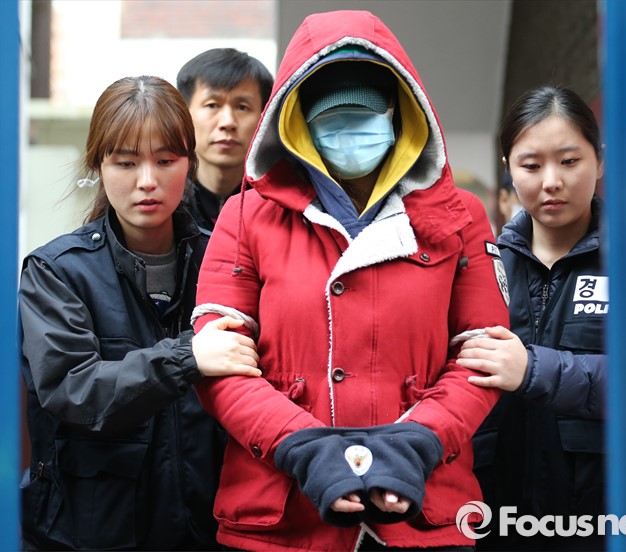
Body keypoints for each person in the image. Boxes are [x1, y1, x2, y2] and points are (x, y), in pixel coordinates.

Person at [191, 10, 511, 552]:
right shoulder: (244, 216)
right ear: (298, 122)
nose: (350, 130)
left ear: (401, 113)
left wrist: (416, 443)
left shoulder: (460, 217)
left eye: (366, 114)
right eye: (332, 117)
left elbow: (484, 357)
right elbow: (218, 363)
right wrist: (304, 447)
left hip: (421, 513)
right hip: (283, 518)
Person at [18, 75, 260, 551]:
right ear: (98, 164)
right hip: (89, 534)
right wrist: (188, 357)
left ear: (189, 163)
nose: (147, 181)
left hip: (209, 529)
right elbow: (73, 389)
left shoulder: (225, 261)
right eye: (126, 162)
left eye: (166, 161)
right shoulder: (57, 271)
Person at [458, 85, 607, 551]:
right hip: (491, 519)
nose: (551, 181)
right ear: (509, 168)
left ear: (600, 161)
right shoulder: (482, 268)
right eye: (531, 165)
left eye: (569, 161)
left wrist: (531, 369)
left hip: (602, 519)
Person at [176, 48, 274, 231]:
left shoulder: (279, 204)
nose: (228, 122)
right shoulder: (166, 201)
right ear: (184, 114)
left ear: (264, 117)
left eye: (242, 107)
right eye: (212, 105)